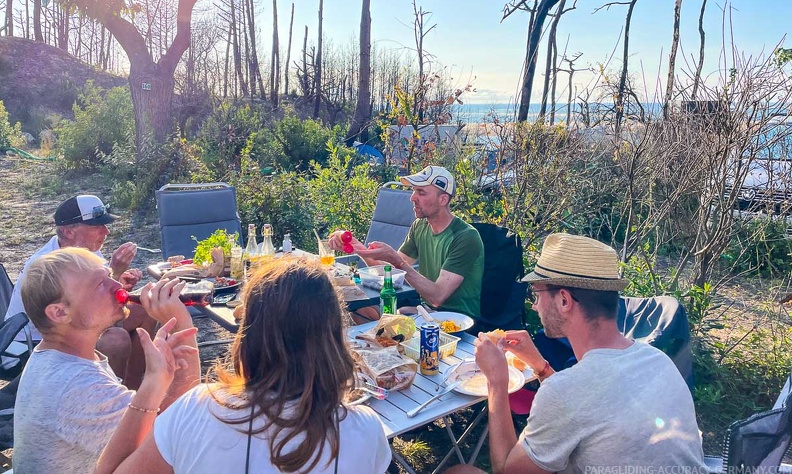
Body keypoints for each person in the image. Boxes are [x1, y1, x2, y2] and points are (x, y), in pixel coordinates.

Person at [94, 256, 392, 474]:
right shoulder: (365, 430)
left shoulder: (198, 408)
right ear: (334, 336)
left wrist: (153, 384)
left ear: (247, 335)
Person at [446, 233, 706, 474]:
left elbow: (505, 469)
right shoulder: (657, 360)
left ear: (564, 301)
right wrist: (541, 367)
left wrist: (496, 382)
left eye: (536, 294)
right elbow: (589, 403)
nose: (535, 306)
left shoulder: (565, 391)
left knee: (459, 471)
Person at [13, 247, 200, 474]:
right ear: (60, 313)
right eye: (100, 284)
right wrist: (181, 322)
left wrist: (162, 376)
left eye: (109, 276)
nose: (117, 287)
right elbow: (174, 433)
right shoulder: (77, 385)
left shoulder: (59, 357)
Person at [5, 193, 156, 388]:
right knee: (115, 340)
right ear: (69, 232)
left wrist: (118, 282)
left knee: (146, 309)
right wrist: (115, 272)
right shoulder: (49, 265)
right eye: (97, 226)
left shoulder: (86, 250)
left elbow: (90, 303)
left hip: (72, 324)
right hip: (35, 342)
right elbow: (80, 314)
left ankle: (133, 390)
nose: (106, 232)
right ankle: (107, 402)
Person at [330, 165, 484, 318]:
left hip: (458, 319)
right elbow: (391, 275)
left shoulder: (466, 237)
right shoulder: (420, 226)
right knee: (353, 309)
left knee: (391, 319)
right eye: (413, 191)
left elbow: (437, 297)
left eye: (421, 192)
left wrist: (397, 261)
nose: (412, 198)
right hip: (425, 310)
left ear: (443, 199)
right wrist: (357, 248)